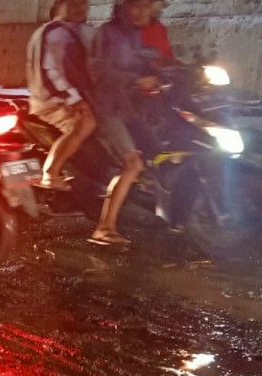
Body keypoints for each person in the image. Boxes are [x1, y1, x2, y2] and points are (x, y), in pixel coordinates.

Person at [88, 0, 162, 245]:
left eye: (147, 7)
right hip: (109, 110)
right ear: (124, 8)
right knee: (133, 164)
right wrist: (135, 81)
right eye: (137, 6)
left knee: (158, 148)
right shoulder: (106, 33)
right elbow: (99, 72)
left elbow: (146, 63)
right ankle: (104, 227)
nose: (143, 12)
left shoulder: (134, 36)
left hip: (129, 109)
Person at [27, 0, 95, 191]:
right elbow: (52, 70)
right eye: (73, 4)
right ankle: (50, 172)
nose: (80, 8)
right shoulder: (56, 32)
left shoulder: (77, 31)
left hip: (63, 98)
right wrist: (75, 99)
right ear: (60, 6)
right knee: (85, 123)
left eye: (83, 3)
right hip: (52, 101)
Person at [140, 0, 175, 66]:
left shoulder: (160, 27)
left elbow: (169, 56)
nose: (161, 10)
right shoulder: (133, 29)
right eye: (160, 5)